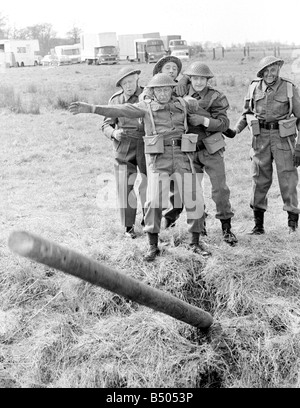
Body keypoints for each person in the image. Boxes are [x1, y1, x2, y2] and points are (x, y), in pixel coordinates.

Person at [69, 73, 209, 262]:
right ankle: (153, 246)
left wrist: (187, 91)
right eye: (158, 90)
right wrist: (91, 108)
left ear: (172, 89)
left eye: (167, 89)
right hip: (159, 159)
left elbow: (196, 98)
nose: (163, 93)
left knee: (195, 199)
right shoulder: (145, 107)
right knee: (153, 202)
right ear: (152, 91)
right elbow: (120, 109)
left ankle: (195, 242)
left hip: (183, 157)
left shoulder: (183, 104)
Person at [166, 61, 238, 245]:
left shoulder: (216, 97)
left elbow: (223, 124)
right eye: (195, 78)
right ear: (189, 78)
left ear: (208, 80)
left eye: (202, 79)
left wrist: (203, 120)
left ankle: (227, 228)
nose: (198, 82)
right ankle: (200, 226)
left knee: (220, 189)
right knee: (193, 192)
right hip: (189, 150)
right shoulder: (179, 93)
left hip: (211, 148)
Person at [229, 56, 300, 234]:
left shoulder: (289, 88)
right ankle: (258, 225)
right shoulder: (254, 87)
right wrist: (235, 130)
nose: (270, 74)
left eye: (273, 70)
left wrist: (299, 147)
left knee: (288, 180)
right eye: (266, 71)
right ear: (261, 73)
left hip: (283, 139)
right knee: (259, 179)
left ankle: (292, 225)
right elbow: (247, 113)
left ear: (278, 70)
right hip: (260, 139)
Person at [101, 66, 147, 239]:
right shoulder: (115, 100)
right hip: (123, 146)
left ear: (137, 80)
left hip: (146, 144)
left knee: (148, 185)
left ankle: (148, 221)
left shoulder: (147, 95)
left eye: (131, 81)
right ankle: (128, 227)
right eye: (124, 83)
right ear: (120, 85)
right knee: (125, 186)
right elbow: (106, 125)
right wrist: (114, 133)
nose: (128, 86)